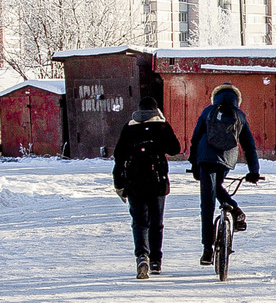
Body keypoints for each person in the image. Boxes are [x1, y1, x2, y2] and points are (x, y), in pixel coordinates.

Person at [190, 82, 262, 266]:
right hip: (227, 160)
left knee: (207, 204)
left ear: (216, 97)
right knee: (217, 186)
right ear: (236, 99)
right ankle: (235, 209)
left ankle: (207, 250)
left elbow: (196, 137)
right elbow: (249, 147)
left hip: (205, 159)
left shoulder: (208, 112)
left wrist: (193, 163)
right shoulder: (240, 116)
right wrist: (253, 171)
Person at [112, 100, 182, 280]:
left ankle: (142, 256)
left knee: (139, 222)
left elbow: (119, 157)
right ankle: (156, 261)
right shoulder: (161, 126)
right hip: (157, 181)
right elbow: (175, 149)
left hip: (134, 181)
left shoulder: (129, 128)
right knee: (156, 223)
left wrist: (119, 183)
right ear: (155, 110)